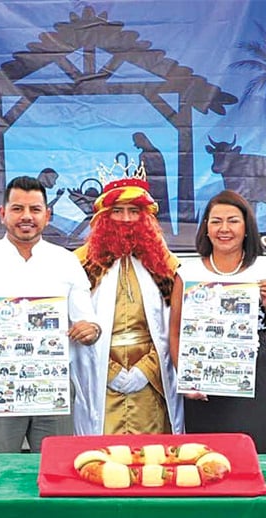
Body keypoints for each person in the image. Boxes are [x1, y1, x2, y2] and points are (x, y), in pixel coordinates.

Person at [0, 176, 102, 453]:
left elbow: (90, 326)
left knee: (56, 469)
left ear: (47, 215)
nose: (26, 217)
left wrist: (90, 331)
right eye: (18, 209)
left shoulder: (66, 261)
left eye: (35, 209)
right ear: (2, 213)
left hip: (53, 382)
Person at [168, 190, 266, 453]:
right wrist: (187, 379)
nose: (224, 229)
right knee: (205, 456)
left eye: (233, 220)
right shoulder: (187, 272)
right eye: (216, 221)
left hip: (256, 376)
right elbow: (176, 333)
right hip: (203, 378)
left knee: (257, 452)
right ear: (206, 228)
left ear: (247, 227)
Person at [73, 174, 183, 436]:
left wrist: (146, 370)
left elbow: (174, 325)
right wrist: (109, 370)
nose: (125, 219)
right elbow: (73, 321)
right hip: (99, 374)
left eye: (133, 211)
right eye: (117, 211)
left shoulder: (165, 266)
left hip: (151, 382)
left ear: (145, 217)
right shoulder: (80, 265)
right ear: (103, 217)